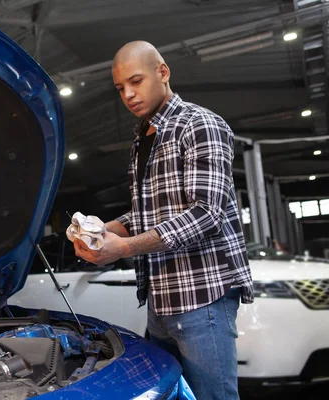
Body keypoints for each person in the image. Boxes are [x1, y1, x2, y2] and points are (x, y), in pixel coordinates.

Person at [72, 41, 254, 400]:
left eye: (135, 81)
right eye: (120, 88)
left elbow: (206, 213)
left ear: (163, 72)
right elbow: (146, 214)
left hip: (203, 299)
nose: (128, 94)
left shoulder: (200, 124)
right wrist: (100, 230)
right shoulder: (143, 138)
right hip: (161, 300)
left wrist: (124, 247)